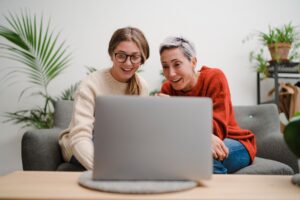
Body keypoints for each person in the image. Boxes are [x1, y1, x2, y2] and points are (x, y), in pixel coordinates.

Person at [156, 36, 256, 174]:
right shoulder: (167, 89)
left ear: (193, 62)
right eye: (165, 66)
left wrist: (175, 111)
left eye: (177, 64)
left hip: (234, 141)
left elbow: (218, 130)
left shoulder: (214, 77)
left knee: (201, 156)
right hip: (192, 144)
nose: (171, 73)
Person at [58, 27, 150, 170]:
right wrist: (106, 170)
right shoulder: (90, 84)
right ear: (111, 55)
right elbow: (80, 137)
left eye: (135, 57)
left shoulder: (142, 86)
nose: (128, 63)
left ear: (142, 59)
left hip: (116, 146)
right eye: (121, 55)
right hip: (83, 145)